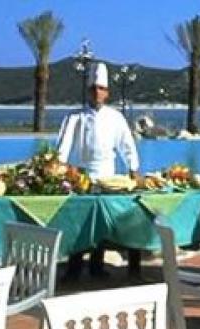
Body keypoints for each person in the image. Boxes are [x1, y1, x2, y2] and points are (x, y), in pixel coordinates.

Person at [56, 61, 141, 280]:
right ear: (88, 91)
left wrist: (133, 169)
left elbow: (127, 145)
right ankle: (73, 269)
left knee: (101, 225)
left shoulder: (116, 117)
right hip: (81, 178)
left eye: (101, 88)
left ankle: (97, 267)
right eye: (94, 88)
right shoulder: (74, 117)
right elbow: (63, 147)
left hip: (107, 178)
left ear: (107, 93)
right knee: (79, 224)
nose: (97, 92)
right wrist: (59, 167)